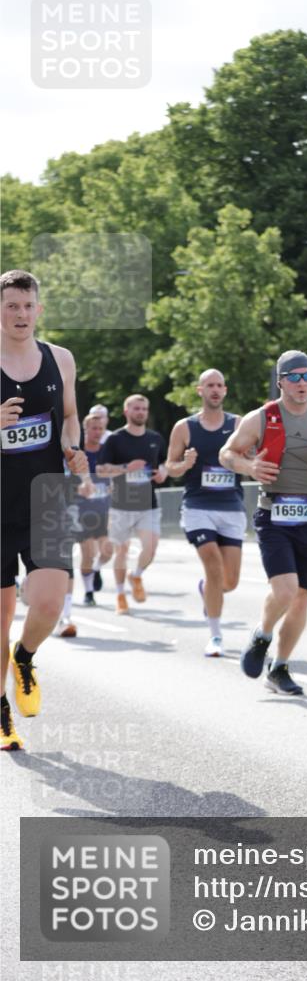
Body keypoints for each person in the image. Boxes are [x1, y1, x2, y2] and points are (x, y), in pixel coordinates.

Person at [1, 269, 88, 751]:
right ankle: (1, 713)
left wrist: (72, 447)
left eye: (27, 305)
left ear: (39, 308)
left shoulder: (60, 359)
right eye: (11, 305)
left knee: (50, 601)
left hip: (48, 495)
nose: (20, 314)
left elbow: (69, 416)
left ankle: (26, 656)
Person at [220, 350, 307, 695]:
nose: (303, 383)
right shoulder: (260, 418)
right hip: (273, 512)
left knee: (302, 598)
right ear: (281, 382)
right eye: (295, 376)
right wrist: (249, 467)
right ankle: (262, 634)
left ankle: (280, 667)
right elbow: (226, 454)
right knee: (285, 590)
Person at [166, 369, 245, 656]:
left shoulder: (239, 424)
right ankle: (215, 636)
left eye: (219, 385)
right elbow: (169, 467)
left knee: (229, 581)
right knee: (213, 565)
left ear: (225, 390)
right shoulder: (184, 428)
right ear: (200, 390)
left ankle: (207, 590)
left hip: (231, 508)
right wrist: (184, 465)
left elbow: (251, 457)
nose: (215, 390)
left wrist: (247, 459)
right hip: (198, 507)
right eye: (209, 385)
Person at [95, 394, 167, 614]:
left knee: (151, 547)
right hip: (121, 504)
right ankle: (119, 595)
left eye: (144, 409)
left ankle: (135, 576)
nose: (141, 412)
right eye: (136, 408)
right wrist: (127, 468)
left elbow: (164, 463)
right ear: (126, 411)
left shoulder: (155, 438)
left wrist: (163, 472)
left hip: (148, 503)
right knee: (122, 551)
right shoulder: (115, 439)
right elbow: (100, 470)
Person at [75, 413, 113, 605]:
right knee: (88, 553)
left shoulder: (108, 452)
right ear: (85, 430)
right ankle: (89, 593)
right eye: (94, 428)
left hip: (104, 510)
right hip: (82, 511)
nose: (98, 432)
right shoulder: (77, 453)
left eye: (100, 429)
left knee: (107, 552)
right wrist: (77, 486)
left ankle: (96, 570)